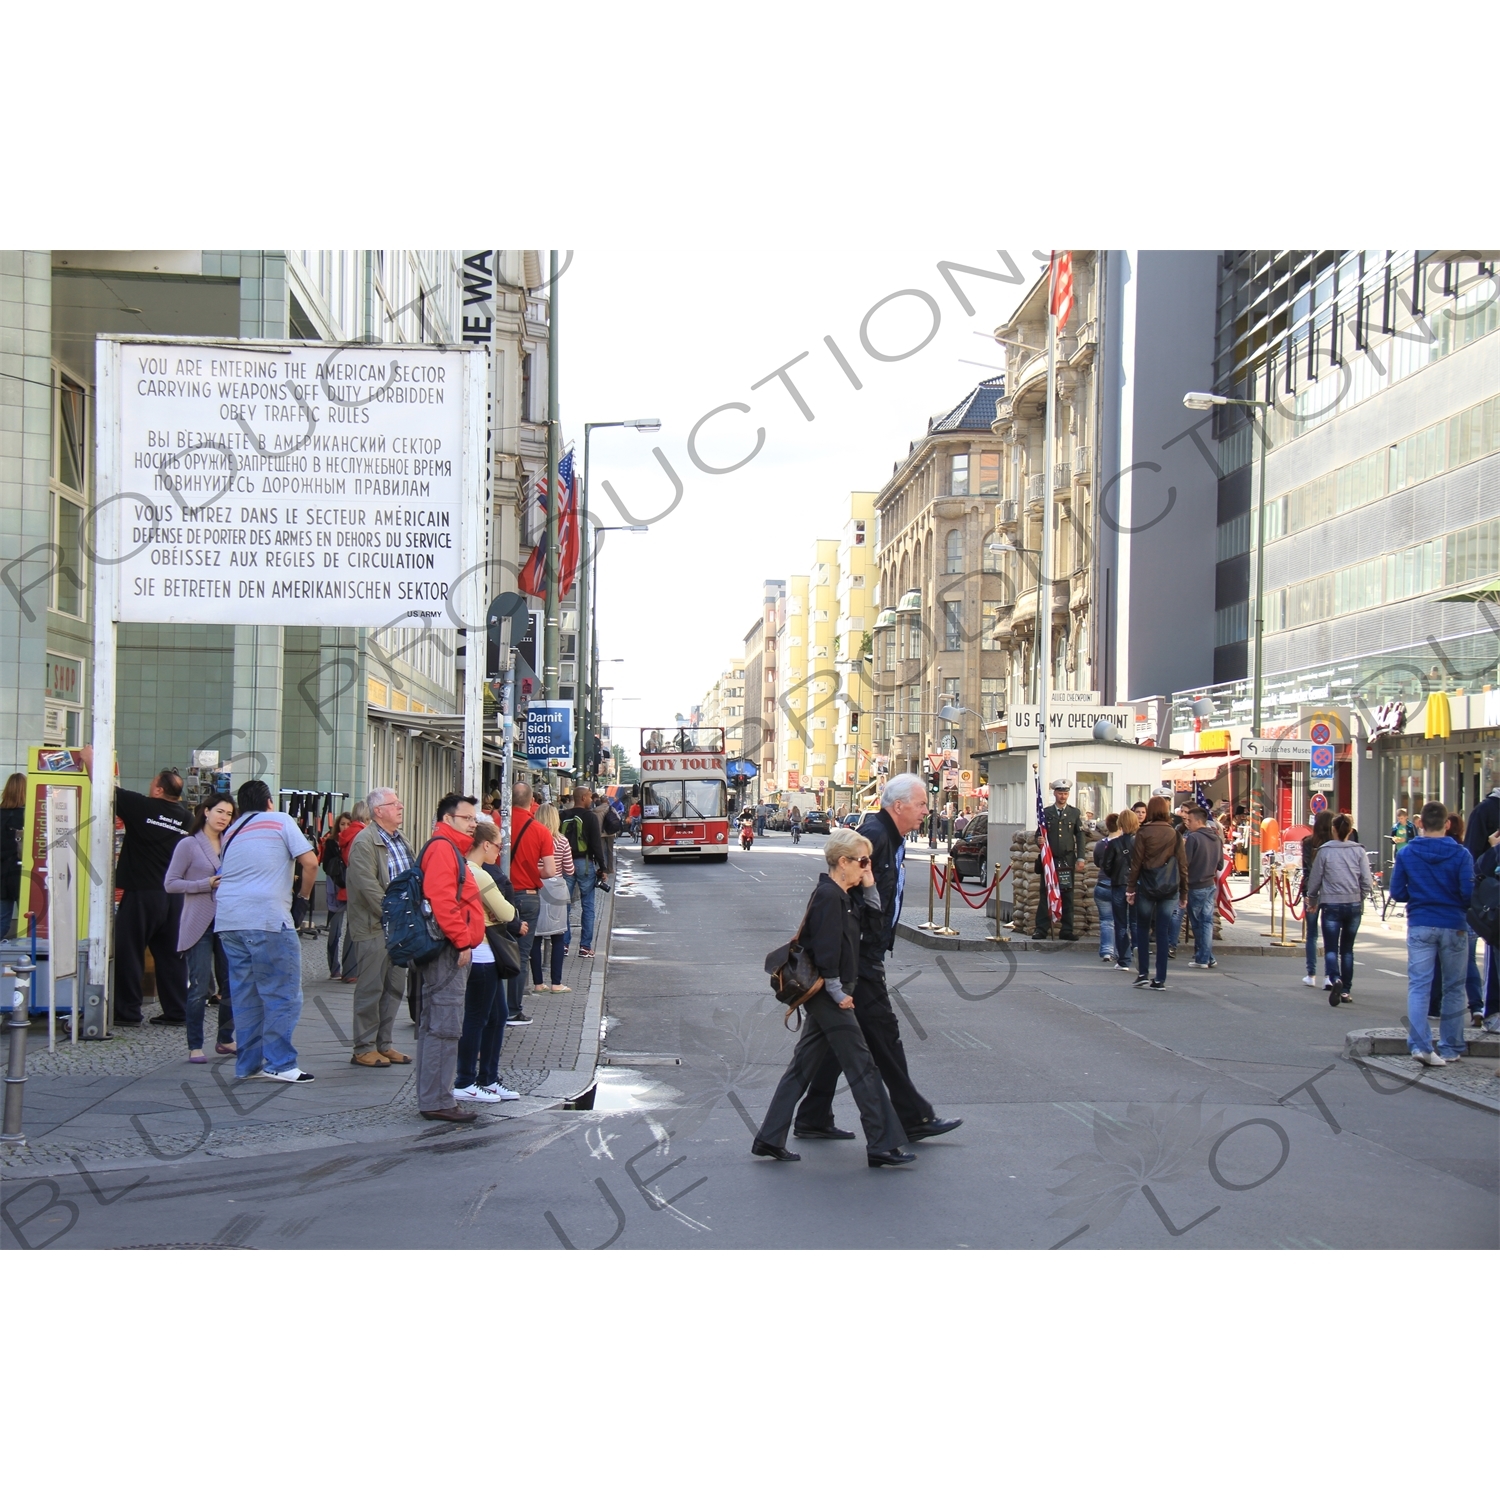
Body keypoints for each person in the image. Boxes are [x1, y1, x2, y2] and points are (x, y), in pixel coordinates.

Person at [792, 773, 962, 1144]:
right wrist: (847, 964)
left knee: (835, 1040)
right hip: (860, 959)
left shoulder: (890, 836)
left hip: (863, 955)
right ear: (898, 806)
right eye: (920, 804)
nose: (925, 811)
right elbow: (846, 896)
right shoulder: (875, 837)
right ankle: (913, 1116)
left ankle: (812, 1115)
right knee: (883, 1036)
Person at [753, 829, 915, 1168]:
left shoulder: (845, 894)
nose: (866, 867)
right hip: (829, 995)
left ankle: (769, 1137)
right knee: (863, 1067)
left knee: (801, 1068)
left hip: (830, 993)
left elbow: (874, 928)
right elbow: (827, 952)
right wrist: (839, 993)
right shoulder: (829, 896)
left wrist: (869, 883)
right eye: (862, 861)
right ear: (843, 862)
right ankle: (882, 1143)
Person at [216, 780, 319, 1082]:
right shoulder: (280, 820)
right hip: (267, 919)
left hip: (229, 920)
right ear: (269, 802)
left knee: (245, 995)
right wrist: (302, 898)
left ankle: (247, 1065)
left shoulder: (231, 831)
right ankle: (281, 1063)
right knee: (283, 993)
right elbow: (310, 863)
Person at [413, 793, 486, 1122]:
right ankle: (438, 1100)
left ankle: (434, 1097)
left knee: (436, 1026)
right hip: (448, 952)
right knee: (444, 1027)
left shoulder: (447, 848)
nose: (473, 824)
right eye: (467, 818)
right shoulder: (444, 849)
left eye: (474, 819)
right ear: (448, 819)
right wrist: (461, 942)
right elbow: (443, 901)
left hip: (446, 949)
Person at [1389, 801, 1474, 1066]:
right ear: (1447, 824)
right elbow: (1468, 894)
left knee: (1419, 986)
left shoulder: (1407, 854)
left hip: (1421, 923)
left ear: (1420, 824)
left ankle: (1421, 1045)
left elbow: (1398, 892)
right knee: (1454, 987)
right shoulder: (1462, 855)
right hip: (1454, 924)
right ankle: (1450, 1046)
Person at [113, 769, 192, 1027]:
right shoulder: (188, 819)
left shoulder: (142, 807)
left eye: (152, 782)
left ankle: (128, 1012)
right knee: (172, 956)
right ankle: (177, 1011)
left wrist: (92, 761)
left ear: (158, 790)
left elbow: (110, 790)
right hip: (175, 897)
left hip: (142, 894)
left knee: (130, 951)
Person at [344, 787, 416, 1068]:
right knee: (371, 988)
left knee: (395, 987)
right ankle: (363, 1047)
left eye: (399, 801)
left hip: (400, 927)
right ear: (378, 811)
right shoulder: (365, 842)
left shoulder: (401, 839)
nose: (400, 806)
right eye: (394, 803)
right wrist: (392, 915)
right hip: (376, 926)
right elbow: (368, 887)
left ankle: (383, 1044)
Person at [163, 791, 237, 1061]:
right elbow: (171, 884)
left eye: (229, 814)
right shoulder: (189, 845)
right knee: (199, 985)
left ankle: (226, 1039)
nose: (224, 818)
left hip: (227, 920)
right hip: (199, 922)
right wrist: (203, 885)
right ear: (206, 811)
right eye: (220, 811)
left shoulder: (231, 843)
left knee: (231, 983)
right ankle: (195, 1045)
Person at [452, 819, 522, 1104]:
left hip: (484, 951)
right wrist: (498, 913)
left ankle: (487, 1079)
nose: (500, 852)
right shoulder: (478, 874)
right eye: (498, 845)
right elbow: (507, 913)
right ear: (484, 845)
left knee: (496, 1016)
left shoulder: (470, 870)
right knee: (479, 1018)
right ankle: (466, 1080)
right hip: (480, 952)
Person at [1304, 813, 1371, 1007]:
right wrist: (1361, 896)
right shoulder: (1359, 851)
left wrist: (1313, 900)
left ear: (1334, 830)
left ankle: (1335, 977)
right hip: (1353, 904)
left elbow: (1315, 880)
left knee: (1331, 947)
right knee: (1348, 949)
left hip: (1331, 904)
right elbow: (1366, 881)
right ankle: (1346, 990)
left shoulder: (1325, 851)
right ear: (1350, 831)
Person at [505, 781, 558, 1027]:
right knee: (520, 954)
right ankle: (513, 1010)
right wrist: (531, 873)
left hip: (495, 895)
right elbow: (550, 869)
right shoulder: (539, 830)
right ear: (530, 802)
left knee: (492, 951)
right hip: (526, 895)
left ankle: (491, 1006)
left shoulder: (496, 824)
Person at [1429, 810, 1484, 1027]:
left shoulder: (1438, 851)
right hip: (1466, 915)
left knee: (1438, 961)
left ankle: (1435, 1006)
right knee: (1468, 962)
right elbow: (1468, 888)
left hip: (1443, 915)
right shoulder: (1464, 851)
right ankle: (1477, 1006)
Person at [1126, 796, 1187, 991]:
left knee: (1142, 928)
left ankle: (1143, 972)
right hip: (1169, 887)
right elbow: (1183, 865)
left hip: (1147, 885)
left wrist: (1130, 888)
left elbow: (1136, 864)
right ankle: (1160, 977)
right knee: (1163, 930)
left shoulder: (1143, 833)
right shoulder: (1174, 834)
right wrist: (1184, 892)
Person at [1034, 778, 1085, 941]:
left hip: (1067, 859)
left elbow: (1080, 835)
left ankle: (1067, 929)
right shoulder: (1046, 813)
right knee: (1045, 892)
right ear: (1055, 793)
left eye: (1065, 793)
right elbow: (1039, 833)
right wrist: (1039, 840)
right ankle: (1041, 929)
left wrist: (1081, 857)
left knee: (1067, 893)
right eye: (1060, 793)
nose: (1063, 796)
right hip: (1050, 859)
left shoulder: (1074, 813)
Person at [530, 802, 574, 993]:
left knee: (535, 936)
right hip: (556, 887)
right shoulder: (562, 841)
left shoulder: (532, 839)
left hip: (536, 886)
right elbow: (570, 870)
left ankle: (538, 983)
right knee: (558, 935)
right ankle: (557, 983)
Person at [560, 788, 608, 957]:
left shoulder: (563, 815)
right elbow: (596, 844)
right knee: (587, 906)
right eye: (589, 796)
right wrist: (602, 868)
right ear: (583, 797)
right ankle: (585, 947)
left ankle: (563, 944)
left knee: (564, 905)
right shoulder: (590, 817)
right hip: (585, 864)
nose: (591, 799)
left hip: (565, 864)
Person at [1182, 805, 1224, 970]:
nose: (1188, 823)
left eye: (1190, 820)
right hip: (1209, 884)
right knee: (1206, 922)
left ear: (1199, 821)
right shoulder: (1216, 838)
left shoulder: (1193, 838)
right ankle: (1208, 957)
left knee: (1199, 923)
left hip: (1196, 884)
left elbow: (1185, 863)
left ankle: (1202, 958)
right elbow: (1220, 865)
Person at [1297, 811, 1335, 989]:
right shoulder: (1334, 845)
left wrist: (1308, 894)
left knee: (1311, 934)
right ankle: (1329, 975)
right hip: (1330, 893)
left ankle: (1311, 974)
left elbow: (1307, 870)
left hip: (1312, 892)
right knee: (1330, 936)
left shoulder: (1307, 842)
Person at [321, 812, 357, 983]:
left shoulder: (355, 841)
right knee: (335, 931)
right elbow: (326, 866)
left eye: (348, 824)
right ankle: (333, 967)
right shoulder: (331, 842)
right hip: (334, 890)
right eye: (342, 824)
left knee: (351, 931)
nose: (345, 827)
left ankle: (349, 968)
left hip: (350, 890)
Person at [1106, 808, 1138, 970]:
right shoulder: (1141, 842)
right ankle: (1138, 949)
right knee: (1136, 922)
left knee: (1120, 923)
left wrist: (1114, 874)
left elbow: (1106, 866)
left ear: (1120, 825)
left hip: (1119, 884)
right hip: (1137, 885)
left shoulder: (1114, 844)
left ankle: (1124, 960)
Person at [1092, 812, 1120, 963]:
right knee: (1121, 921)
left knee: (1106, 920)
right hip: (1119, 885)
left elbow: (1097, 862)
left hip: (1102, 883)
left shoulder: (1101, 844)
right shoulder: (1125, 843)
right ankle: (1119, 950)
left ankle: (1106, 951)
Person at [0, 771, 24, 941]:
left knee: (2, 921)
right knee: (30, 920)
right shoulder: (28, 815)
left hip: (1, 875)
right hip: (23, 874)